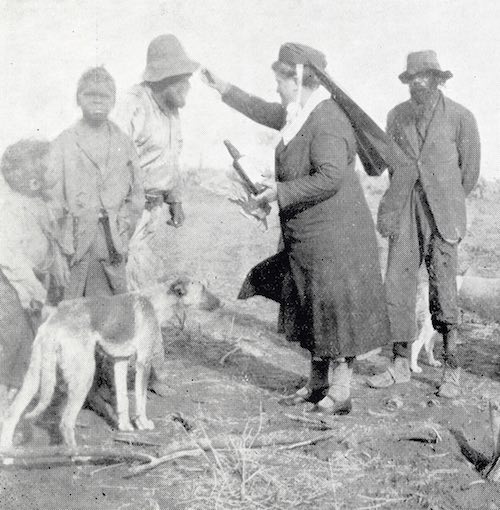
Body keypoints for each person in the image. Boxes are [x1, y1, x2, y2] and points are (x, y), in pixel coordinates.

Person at [203, 43, 390, 415]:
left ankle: (341, 392)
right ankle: (318, 384)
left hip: (336, 236)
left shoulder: (327, 119)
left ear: (299, 78)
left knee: (334, 312)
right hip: (308, 234)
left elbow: (332, 176)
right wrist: (224, 88)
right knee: (310, 309)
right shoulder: (301, 113)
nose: (276, 88)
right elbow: (266, 110)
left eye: (280, 81)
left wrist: (280, 192)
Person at [368, 50, 481, 398]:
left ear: (437, 79)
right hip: (405, 207)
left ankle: (451, 370)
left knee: (444, 289)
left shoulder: (461, 117)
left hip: (443, 213)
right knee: (398, 286)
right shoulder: (396, 116)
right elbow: (391, 164)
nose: (418, 82)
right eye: (412, 77)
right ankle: (400, 363)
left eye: (425, 76)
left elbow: (469, 172)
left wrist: (443, 197)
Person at [46, 66, 144, 299]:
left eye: (105, 96)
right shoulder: (63, 143)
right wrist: (60, 246)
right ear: (78, 99)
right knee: (69, 308)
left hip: (111, 241)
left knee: (109, 309)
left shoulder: (124, 142)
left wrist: (123, 228)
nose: (98, 101)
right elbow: (52, 199)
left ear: (114, 101)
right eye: (90, 95)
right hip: (74, 241)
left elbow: (136, 194)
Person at [114, 34, 199, 289]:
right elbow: (113, 161)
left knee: (139, 273)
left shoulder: (172, 111)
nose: (188, 86)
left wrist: (175, 198)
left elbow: (171, 158)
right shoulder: (134, 104)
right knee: (123, 272)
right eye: (180, 80)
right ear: (162, 79)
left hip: (153, 208)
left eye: (188, 79)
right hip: (127, 208)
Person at [0, 139, 68, 410]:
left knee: (28, 343)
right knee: (12, 343)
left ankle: (14, 402)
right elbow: (10, 258)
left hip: (29, 282)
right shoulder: (11, 209)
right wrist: (35, 293)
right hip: (10, 286)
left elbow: (50, 243)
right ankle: (5, 405)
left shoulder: (39, 203)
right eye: (49, 170)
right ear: (32, 182)